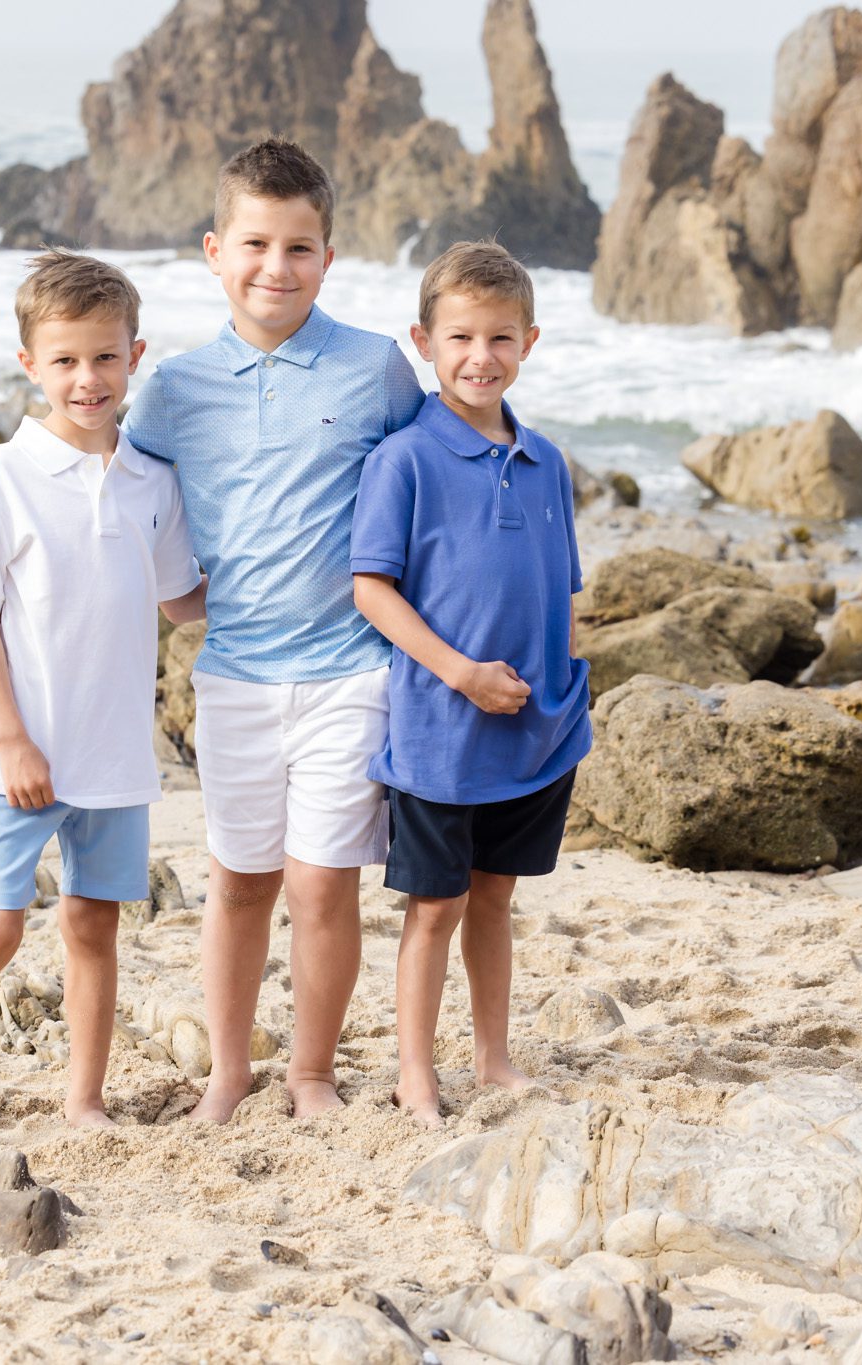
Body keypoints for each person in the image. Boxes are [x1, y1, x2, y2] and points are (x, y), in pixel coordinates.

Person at [125, 138, 424, 1122]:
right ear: (214, 250)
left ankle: (309, 1073)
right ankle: (224, 1074)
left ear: (327, 258)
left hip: (350, 670)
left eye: (298, 248)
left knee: (320, 883)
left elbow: (426, 485)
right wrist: (173, 598)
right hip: (234, 674)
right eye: (254, 244)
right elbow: (128, 495)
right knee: (240, 882)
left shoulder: (374, 369)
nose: (274, 267)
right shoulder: (173, 389)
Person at [0, 250, 205, 1153]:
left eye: (106, 359)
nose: (88, 378)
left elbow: (182, 599)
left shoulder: (152, 482)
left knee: (92, 926)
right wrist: (11, 739)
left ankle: (85, 1099)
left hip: (114, 753)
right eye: (67, 360)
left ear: (136, 355)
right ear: (31, 364)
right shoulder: (1, 475)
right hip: (18, 754)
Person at [348, 240, 592, 1127]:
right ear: (424, 340)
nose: (478, 357)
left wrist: (563, 689)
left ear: (529, 341)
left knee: (497, 894)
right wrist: (459, 672)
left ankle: (492, 1056)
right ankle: (417, 1070)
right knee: (436, 904)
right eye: (459, 338)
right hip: (439, 733)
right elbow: (370, 586)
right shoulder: (406, 459)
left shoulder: (549, 462)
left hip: (536, 728)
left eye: (499, 337)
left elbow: (563, 586)